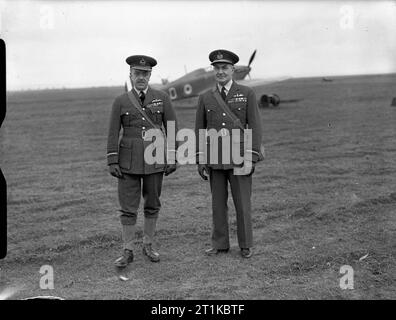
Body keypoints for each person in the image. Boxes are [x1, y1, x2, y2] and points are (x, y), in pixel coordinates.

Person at [107, 55, 178, 267]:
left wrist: (172, 156)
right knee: (128, 208)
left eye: (145, 74)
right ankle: (128, 250)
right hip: (127, 162)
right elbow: (113, 132)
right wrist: (112, 159)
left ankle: (148, 245)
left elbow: (172, 127)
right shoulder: (120, 101)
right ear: (130, 74)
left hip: (155, 158)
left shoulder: (162, 98)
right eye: (137, 73)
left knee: (152, 204)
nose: (141, 77)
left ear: (150, 75)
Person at [195, 49, 263, 258]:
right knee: (217, 204)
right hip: (215, 157)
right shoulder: (205, 97)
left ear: (232, 69)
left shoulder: (247, 93)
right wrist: (200, 158)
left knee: (242, 203)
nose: (221, 72)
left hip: (240, 156)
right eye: (217, 68)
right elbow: (200, 129)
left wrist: (251, 156)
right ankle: (220, 244)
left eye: (225, 68)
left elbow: (256, 126)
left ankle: (245, 245)